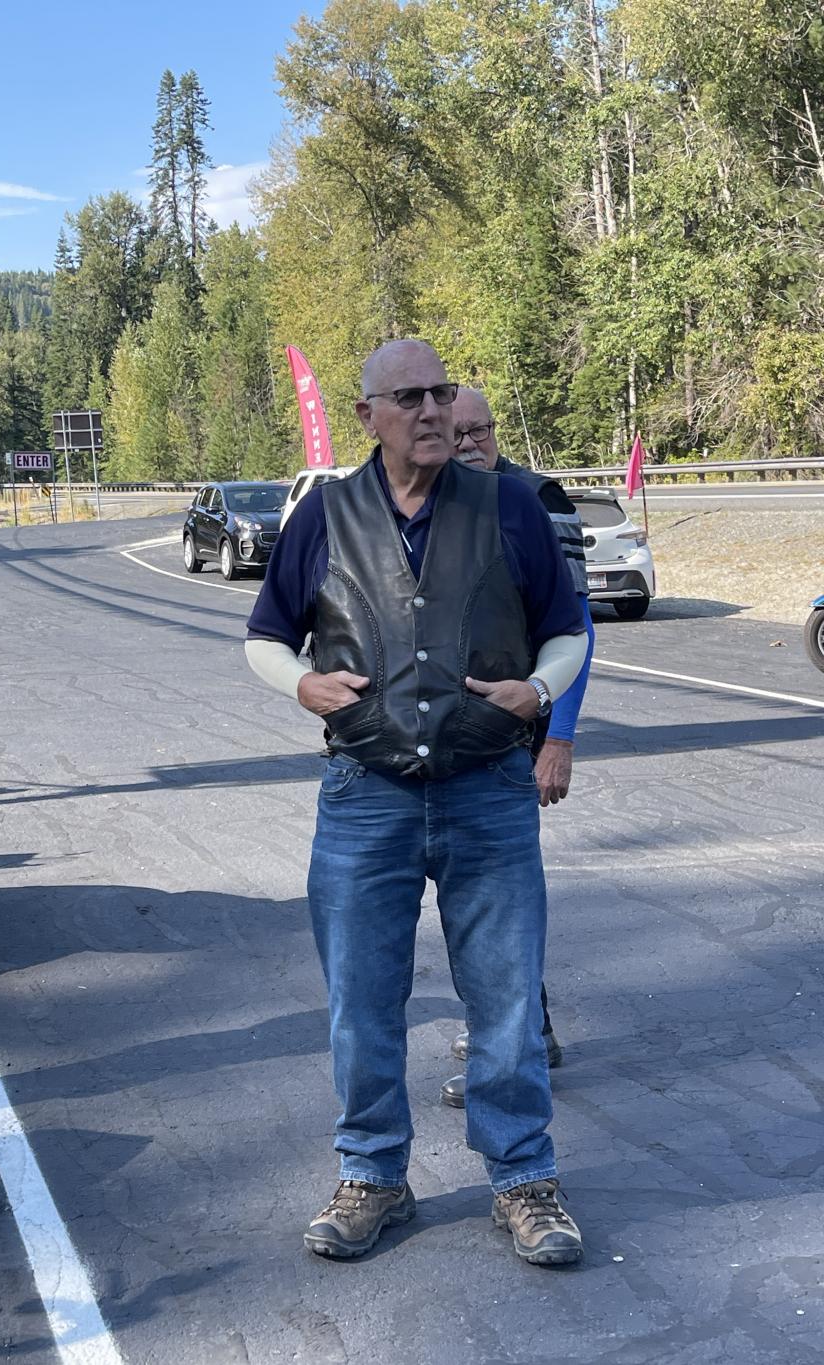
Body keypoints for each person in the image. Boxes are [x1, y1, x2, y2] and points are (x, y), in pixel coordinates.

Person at [245, 340, 590, 1266]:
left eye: (441, 392)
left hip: (491, 788)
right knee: (362, 1001)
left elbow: (566, 628)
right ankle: (372, 1176)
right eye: (410, 396)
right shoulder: (323, 515)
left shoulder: (510, 505)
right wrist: (298, 683)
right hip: (366, 794)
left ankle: (523, 1179)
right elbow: (265, 634)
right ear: (368, 415)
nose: (433, 410)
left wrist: (541, 692)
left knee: (507, 999)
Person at [439, 387, 596, 1108]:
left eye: (480, 429)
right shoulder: (436, 502)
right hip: (452, 738)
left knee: (496, 897)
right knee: (482, 895)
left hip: (518, 735)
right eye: (456, 433)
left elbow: (576, 631)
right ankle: (527, 1026)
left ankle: (517, 1041)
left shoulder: (535, 499)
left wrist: (558, 737)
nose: (469, 443)